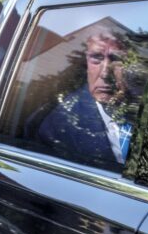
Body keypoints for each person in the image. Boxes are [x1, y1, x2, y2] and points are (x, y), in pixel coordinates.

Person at [37, 31, 134, 171]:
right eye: (96, 58)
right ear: (86, 65)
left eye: (116, 59)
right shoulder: (58, 125)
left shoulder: (145, 105)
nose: (105, 73)